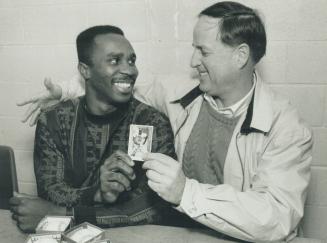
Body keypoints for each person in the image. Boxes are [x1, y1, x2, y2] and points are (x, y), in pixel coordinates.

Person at [17, 2, 313, 242]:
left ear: (240, 56)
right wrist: (66, 91)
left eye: (203, 51)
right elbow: (117, 84)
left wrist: (186, 192)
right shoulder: (181, 93)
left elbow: (276, 217)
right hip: (180, 234)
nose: (192, 61)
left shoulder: (285, 127)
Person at [10, 25, 181, 233]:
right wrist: (96, 194)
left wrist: (67, 215)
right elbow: (51, 194)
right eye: (114, 60)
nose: (129, 70)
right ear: (85, 70)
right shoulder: (54, 120)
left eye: (131, 60)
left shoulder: (150, 122)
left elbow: (152, 207)